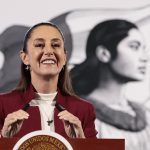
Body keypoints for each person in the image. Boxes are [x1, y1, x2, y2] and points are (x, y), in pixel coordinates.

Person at [0, 22, 97, 139]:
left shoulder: (84, 109)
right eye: (39, 45)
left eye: (56, 45)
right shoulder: (3, 105)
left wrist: (81, 142)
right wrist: (4, 139)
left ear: (65, 57)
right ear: (25, 57)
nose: (49, 51)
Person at [71, 19, 150, 149]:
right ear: (104, 54)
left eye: (143, 49)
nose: (145, 58)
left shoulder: (146, 115)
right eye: (134, 47)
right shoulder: (78, 118)